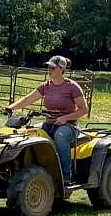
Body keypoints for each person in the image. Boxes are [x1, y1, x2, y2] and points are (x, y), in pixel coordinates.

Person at [6, 56, 88, 184]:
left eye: (52, 67)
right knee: (29, 132)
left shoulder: (72, 87)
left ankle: (65, 176)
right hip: (49, 123)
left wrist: (65, 118)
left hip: (69, 126)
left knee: (60, 136)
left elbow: (84, 109)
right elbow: (28, 99)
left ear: (62, 69)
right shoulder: (46, 86)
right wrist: (11, 108)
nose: (49, 70)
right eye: (48, 67)